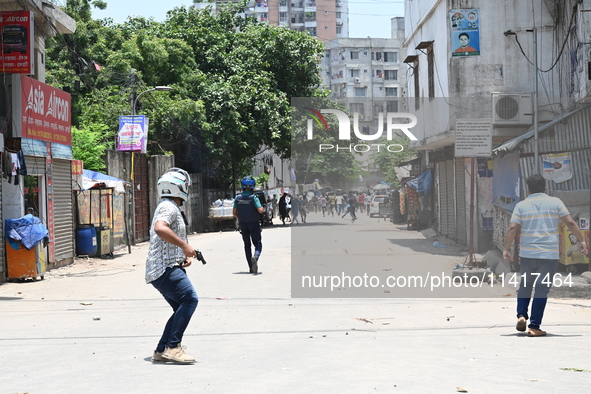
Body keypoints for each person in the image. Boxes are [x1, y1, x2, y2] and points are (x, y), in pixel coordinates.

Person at [503, 174, 588, 337]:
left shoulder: (521, 205)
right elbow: (570, 222)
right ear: (544, 188)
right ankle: (534, 326)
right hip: (549, 255)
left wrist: (506, 249)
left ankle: (521, 315)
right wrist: (581, 240)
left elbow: (513, 228)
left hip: (527, 254)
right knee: (541, 289)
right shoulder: (555, 202)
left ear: (528, 189)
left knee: (525, 285)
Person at [146, 167, 199, 364]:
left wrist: (182, 254)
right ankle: (173, 347)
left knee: (180, 307)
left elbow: (165, 236)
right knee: (190, 299)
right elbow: (160, 228)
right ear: (179, 187)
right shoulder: (168, 206)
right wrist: (185, 245)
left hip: (165, 266)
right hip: (164, 268)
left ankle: (161, 349)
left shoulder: (167, 205)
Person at [233, 176, 265, 274]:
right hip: (254, 223)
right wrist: (261, 208)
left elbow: (234, 213)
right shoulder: (254, 197)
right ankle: (255, 256)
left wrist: (242, 218)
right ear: (253, 186)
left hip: (243, 224)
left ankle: (251, 267)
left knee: (247, 245)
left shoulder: (238, 197)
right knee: (258, 243)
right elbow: (260, 210)